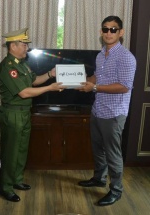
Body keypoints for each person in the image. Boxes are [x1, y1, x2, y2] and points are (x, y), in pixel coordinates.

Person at [0, 28, 65, 202]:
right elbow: (24, 93)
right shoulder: (8, 66)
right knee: (10, 152)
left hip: (24, 114)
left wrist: (50, 74)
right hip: (13, 114)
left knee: (21, 150)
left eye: (26, 45)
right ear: (13, 46)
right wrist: (50, 88)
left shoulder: (21, 64)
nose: (27, 48)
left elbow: (34, 80)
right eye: (24, 44)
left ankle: (17, 180)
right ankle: (5, 187)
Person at [77, 16, 136, 206]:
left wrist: (93, 88)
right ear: (101, 32)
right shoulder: (101, 54)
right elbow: (96, 76)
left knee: (113, 154)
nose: (108, 33)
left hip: (114, 113)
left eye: (113, 29)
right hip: (98, 110)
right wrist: (83, 82)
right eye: (105, 29)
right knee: (98, 149)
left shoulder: (126, 57)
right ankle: (99, 179)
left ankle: (116, 190)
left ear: (121, 32)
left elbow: (124, 86)